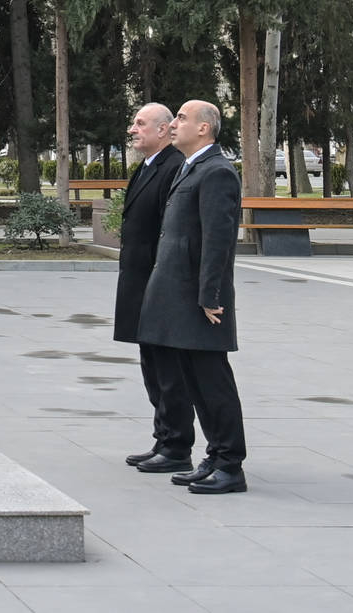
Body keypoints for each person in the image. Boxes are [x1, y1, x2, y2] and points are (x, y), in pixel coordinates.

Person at [136, 99, 247, 495]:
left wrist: (210, 295)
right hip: (180, 296)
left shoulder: (217, 172)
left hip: (201, 300)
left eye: (182, 118)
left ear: (204, 128)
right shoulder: (192, 166)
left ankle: (230, 464)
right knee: (195, 382)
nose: (175, 124)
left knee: (212, 382)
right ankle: (215, 457)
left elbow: (219, 242)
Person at [115, 103, 194, 474]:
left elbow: (170, 231)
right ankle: (163, 438)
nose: (133, 129)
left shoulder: (173, 167)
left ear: (163, 130)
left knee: (168, 369)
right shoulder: (149, 166)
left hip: (157, 283)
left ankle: (177, 445)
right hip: (139, 281)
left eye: (141, 123)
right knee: (151, 365)